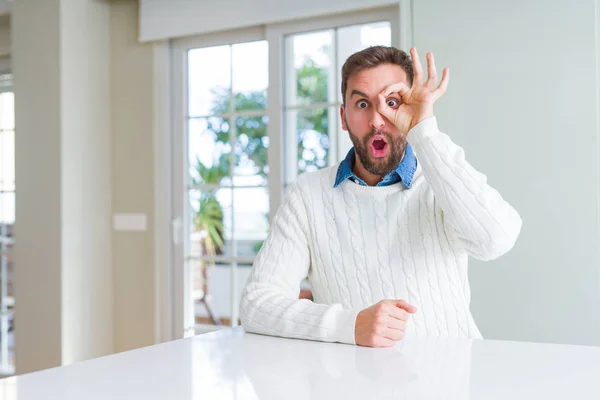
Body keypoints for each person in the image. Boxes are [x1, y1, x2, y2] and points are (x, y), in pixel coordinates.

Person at [239, 45, 522, 348]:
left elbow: (496, 238)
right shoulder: (307, 196)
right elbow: (256, 305)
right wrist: (349, 325)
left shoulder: (439, 184)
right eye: (362, 104)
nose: (377, 119)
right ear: (344, 117)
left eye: (392, 102)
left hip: (448, 384)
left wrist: (423, 131)